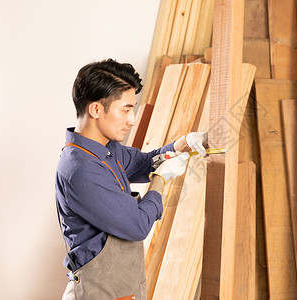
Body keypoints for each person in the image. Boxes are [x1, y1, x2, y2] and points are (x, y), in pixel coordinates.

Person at [55, 59, 207, 300]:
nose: (132, 119)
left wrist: (182, 144)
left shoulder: (107, 149)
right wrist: (160, 182)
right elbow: (136, 225)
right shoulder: (81, 169)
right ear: (96, 109)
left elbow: (144, 162)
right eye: (125, 109)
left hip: (122, 289)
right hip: (98, 292)